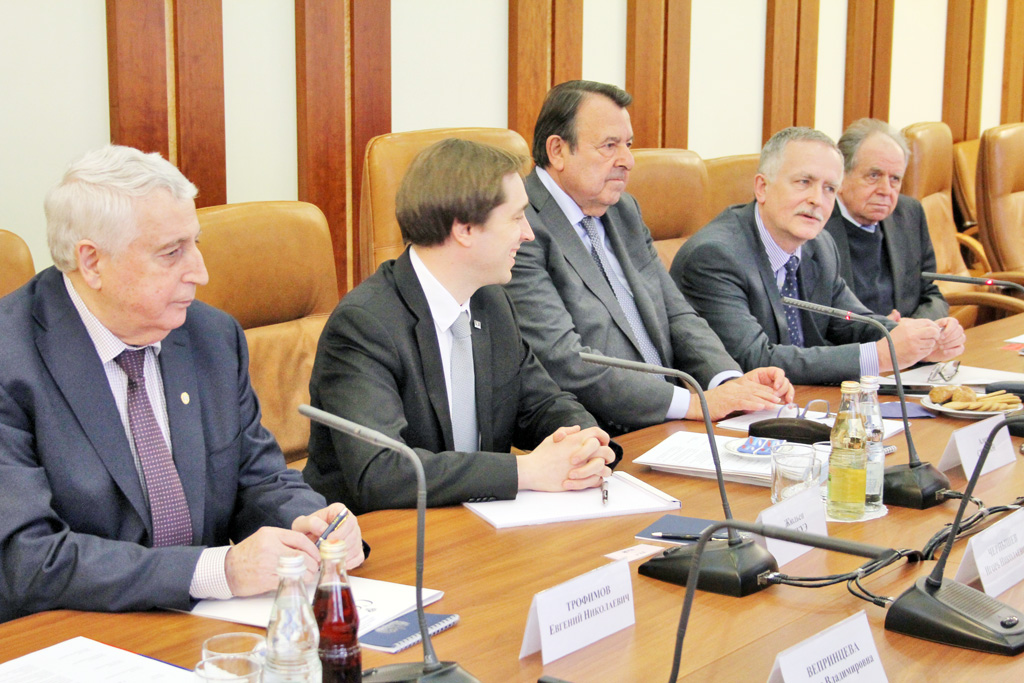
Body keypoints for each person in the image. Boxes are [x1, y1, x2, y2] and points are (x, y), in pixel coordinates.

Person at [0, 145, 364, 623]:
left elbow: (257, 478)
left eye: (195, 244)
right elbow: (27, 559)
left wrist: (306, 521)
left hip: (200, 629)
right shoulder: (11, 359)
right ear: (91, 262)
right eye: (172, 253)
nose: (201, 272)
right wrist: (217, 570)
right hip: (70, 634)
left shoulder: (211, 336)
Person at [303, 138, 616, 514]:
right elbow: (383, 473)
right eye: (516, 218)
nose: (528, 233)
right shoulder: (364, 325)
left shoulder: (492, 302)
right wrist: (526, 471)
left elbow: (541, 404)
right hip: (380, 535)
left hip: (475, 523)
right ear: (465, 229)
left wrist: (584, 442)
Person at [505, 80, 793, 436]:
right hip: (598, 433)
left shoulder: (622, 210)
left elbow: (676, 313)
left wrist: (729, 383)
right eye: (609, 146)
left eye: (628, 145)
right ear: (558, 150)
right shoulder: (521, 226)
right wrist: (692, 404)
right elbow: (563, 358)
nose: (627, 161)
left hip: (674, 420)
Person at [670, 127, 965, 386]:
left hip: (804, 400)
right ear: (762, 187)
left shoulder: (819, 245)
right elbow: (754, 359)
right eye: (803, 182)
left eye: (829, 189)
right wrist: (879, 356)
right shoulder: (714, 256)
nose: (817, 200)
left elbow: (850, 320)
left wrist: (922, 339)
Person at [824, 118, 948, 320]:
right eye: (874, 176)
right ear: (841, 177)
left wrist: (920, 328)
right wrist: (885, 332)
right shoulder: (816, 227)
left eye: (895, 179)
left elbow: (930, 292)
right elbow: (818, 319)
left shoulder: (909, 214)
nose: (886, 190)